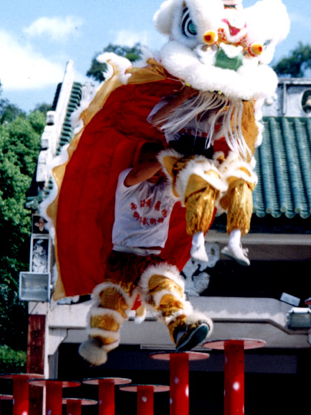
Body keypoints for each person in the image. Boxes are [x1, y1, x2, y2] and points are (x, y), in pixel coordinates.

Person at [78, 142, 213, 366]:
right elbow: (141, 173)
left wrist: (196, 161)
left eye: (160, 165)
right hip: (122, 256)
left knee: (167, 288)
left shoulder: (167, 186)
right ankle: (99, 342)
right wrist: (164, 160)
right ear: (141, 161)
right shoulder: (126, 180)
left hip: (152, 259)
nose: (158, 170)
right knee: (111, 305)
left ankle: (180, 329)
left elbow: (189, 183)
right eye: (152, 162)